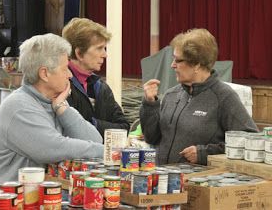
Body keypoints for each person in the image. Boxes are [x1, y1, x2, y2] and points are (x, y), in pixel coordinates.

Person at [0, 33, 104, 188]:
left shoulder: (52, 102)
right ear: (44, 73)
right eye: (65, 69)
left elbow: (95, 140)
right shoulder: (19, 106)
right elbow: (53, 148)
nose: (70, 75)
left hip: (21, 198)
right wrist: (108, 152)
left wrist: (63, 109)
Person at [140, 28, 258, 165]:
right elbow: (151, 138)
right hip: (163, 181)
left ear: (196, 64)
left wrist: (204, 153)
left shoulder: (224, 97)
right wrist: (150, 104)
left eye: (178, 60)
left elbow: (250, 141)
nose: (172, 65)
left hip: (199, 183)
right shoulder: (171, 95)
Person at [62, 18, 130, 137]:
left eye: (104, 48)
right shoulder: (59, 86)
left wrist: (92, 124)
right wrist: (104, 128)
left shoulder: (101, 88)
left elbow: (124, 128)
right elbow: (71, 132)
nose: (105, 54)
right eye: (99, 48)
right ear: (79, 53)